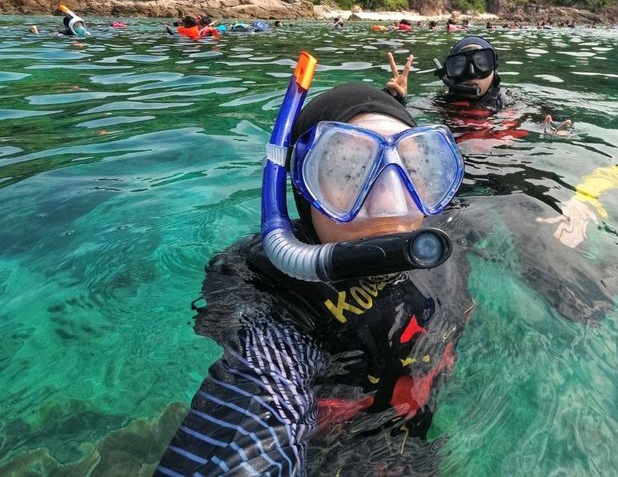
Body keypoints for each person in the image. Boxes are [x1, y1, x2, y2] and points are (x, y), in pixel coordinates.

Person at [154, 53, 472, 476]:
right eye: (347, 172)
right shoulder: (277, 302)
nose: (391, 204)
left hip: (417, 451)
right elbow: (256, 410)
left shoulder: (447, 239)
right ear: (304, 190)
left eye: (413, 168)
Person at [433, 35, 513, 113]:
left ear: (494, 70)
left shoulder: (508, 105)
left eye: (481, 64)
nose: (471, 73)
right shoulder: (438, 104)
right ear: (448, 72)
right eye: (460, 66)